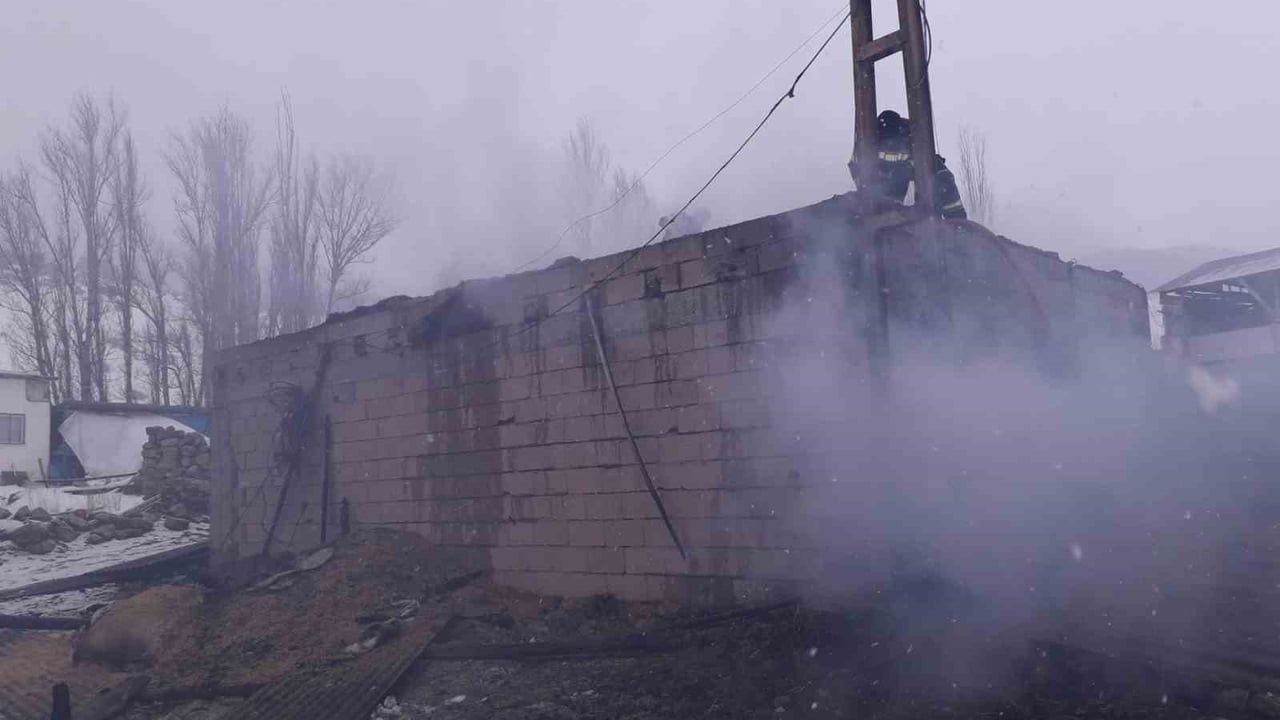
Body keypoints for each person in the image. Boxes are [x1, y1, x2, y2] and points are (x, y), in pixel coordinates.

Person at [872, 110, 967, 220]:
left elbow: (952, 204)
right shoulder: (868, 145)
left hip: (927, 223)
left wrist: (957, 224)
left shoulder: (926, 160)